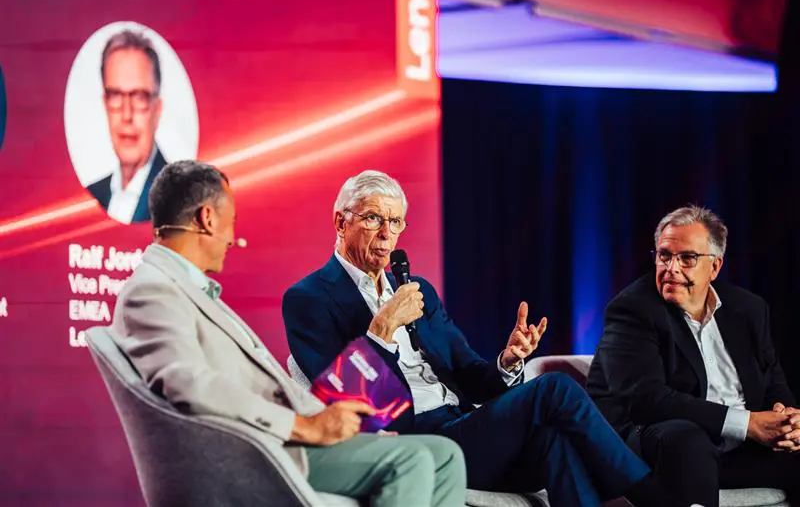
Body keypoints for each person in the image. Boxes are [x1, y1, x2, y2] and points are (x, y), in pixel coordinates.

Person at [283, 170, 697, 507]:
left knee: (553, 441)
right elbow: (342, 399)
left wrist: (508, 361)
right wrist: (383, 330)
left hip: (464, 427)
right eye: (374, 218)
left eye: (395, 222)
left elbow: (471, 375)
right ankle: (656, 501)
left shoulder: (418, 290)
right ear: (341, 221)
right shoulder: (308, 299)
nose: (386, 233)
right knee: (554, 388)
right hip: (411, 441)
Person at [108, 160, 466, 506]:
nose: (233, 239)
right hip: (257, 451)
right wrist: (303, 426)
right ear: (207, 218)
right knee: (411, 460)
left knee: (445, 455)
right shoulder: (153, 291)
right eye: (232, 221)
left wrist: (340, 423)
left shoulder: (187, 289)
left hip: (281, 437)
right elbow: (189, 385)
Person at [587, 205, 800, 507]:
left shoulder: (748, 309)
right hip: (656, 446)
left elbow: (772, 379)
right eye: (664, 255)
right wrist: (747, 423)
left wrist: (789, 420)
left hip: (737, 451)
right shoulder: (632, 310)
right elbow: (646, 399)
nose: (671, 268)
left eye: (687, 258)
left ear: (714, 267)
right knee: (688, 439)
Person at [87, 29, 166, 224]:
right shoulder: (91, 196)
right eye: (116, 95)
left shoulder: (178, 198)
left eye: (139, 97)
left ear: (157, 109)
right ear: (105, 104)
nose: (127, 115)